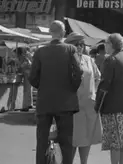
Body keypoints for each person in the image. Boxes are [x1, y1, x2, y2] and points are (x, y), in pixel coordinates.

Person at [30, 20, 83, 164]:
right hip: (66, 103)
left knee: (41, 141)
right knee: (66, 142)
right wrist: (72, 88)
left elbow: (32, 77)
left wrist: (43, 87)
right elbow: (78, 73)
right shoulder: (71, 49)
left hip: (45, 102)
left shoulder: (40, 51)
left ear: (50, 33)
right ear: (63, 33)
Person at [96, 33, 123, 164]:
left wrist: (97, 106)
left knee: (115, 143)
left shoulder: (111, 60)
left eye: (106, 43)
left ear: (111, 44)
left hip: (113, 108)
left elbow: (104, 86)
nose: (105, 46)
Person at [65, 33, 102, 164]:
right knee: (73, 137)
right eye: (77, 44)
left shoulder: (89, 60)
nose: (80, 47)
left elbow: (98, 77)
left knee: (86, 137)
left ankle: (84, 162)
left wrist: (93, 93)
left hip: (88, 104)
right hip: (72, 105)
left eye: (82, 44)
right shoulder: (65, 61)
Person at [16, 47, 33, 111]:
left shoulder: (24, 58)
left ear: (18, 53)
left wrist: (19, 69)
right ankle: (29, 104)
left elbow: (23, 66)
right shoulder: (23, 57)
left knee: (26, 90)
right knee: (28, 90)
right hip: (28, 74)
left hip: (28, 75)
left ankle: (25, 106)